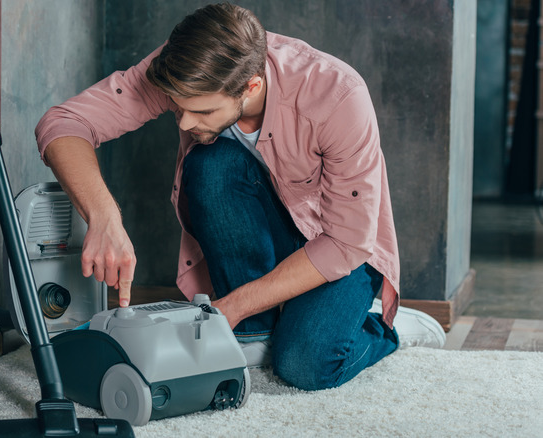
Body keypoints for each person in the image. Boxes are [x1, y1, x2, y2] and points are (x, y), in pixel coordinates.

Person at [35, 3, 445, 390]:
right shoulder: (185, 68)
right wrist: (105, 217)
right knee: (209, 162)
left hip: (338, 246)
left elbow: (346, 242)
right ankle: (259, 328)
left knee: (304, 365)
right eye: (178, 108)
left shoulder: (337, 95)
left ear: (250, 86)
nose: (185, 121)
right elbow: (64, 122)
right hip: (266, 230)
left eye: (203, 112)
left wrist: (231, 306)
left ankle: (380, 326)